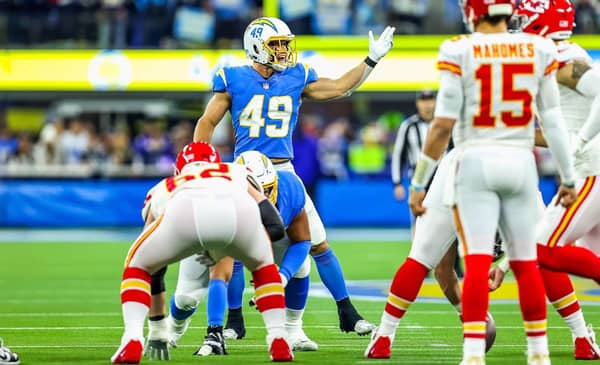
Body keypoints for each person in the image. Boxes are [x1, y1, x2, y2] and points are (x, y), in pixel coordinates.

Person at [366, 1, 578, 364]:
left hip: (469, 159)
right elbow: (554, 123)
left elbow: (442, 126)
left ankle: (395, 338)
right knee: (530, 262)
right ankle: (546, 350)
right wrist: (569, 174)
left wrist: (418, 184)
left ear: (471, 12)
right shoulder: (539, 50)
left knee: (433, 258)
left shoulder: (458, 48)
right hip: (518, 161)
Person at [193, 16, 395, 335]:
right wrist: (200, 163)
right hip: (246, 170)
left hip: (283, 169)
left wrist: (371, 60)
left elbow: (341, 87)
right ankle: (232, 322)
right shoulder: (231, 78)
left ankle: (346, 312)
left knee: (316, 243)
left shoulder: (296, 77)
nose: (285, 52)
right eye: (277, 46)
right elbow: (207, 122)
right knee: (234, 249)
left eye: (286, 45)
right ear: (257, 47)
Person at [486, 0, 600, 360]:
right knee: (541, 250)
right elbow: (557, 131)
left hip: (590, 172)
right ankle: (583, 340)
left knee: (541, 250)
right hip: (583, 173)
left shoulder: (564, 57)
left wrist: (581, 142)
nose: (516, 25)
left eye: (522, 18)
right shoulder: (551, 60)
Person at [110, 141, 293, 364]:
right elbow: (275, 225)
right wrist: (246, 250)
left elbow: (155, 270)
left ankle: (132, 338)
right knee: (264, 267)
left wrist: (158, 326)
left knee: (137, 265)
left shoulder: (165, 186)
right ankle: (278, 338)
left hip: (184, 209)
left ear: (178, 170)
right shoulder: (235, 171)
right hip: (239, 213)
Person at [171, 150, 317, 355]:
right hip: (207, 231)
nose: (264, 197)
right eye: (257, 190)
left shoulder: (290, 188)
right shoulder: (224, 203)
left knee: (301, 265)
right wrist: (214, 329)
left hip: (257, 234)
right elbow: (221, 272)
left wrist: (281, 277)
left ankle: (293, 330)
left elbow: (302, 241)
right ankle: (173, 327)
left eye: (268, 189)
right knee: (186, 298)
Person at [391, 89, 436, 203]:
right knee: (418, 215)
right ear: (417, 103)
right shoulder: (408, 126)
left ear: (435, 102)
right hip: (417, 177)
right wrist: (397, 182)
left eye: (430, 100)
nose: (427, 104)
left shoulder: (442, 125)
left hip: (440, 176)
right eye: (423, 101)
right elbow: (399, 155)